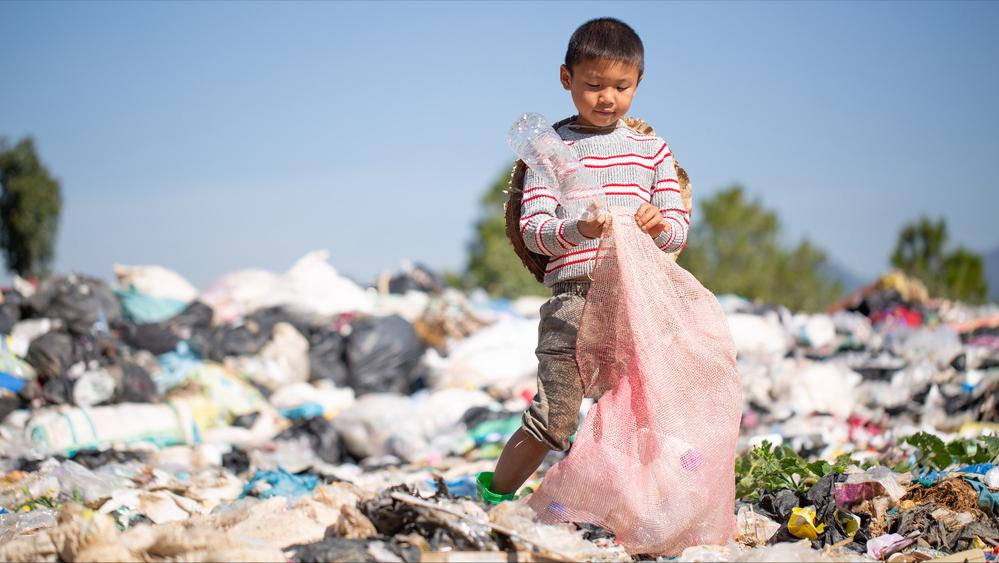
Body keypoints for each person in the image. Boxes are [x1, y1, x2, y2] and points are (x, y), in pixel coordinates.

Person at [477, 17, 691, 503]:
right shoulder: (548, 153)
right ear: (566, 78)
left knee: (647, 415)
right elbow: (534, 232)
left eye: (622, 86)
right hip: (572, 302)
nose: (607, 98)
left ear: (639, 83)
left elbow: (677, 229)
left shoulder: (650, 150)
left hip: (639, 304)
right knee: (554, 418)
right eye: (593, 85)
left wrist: (658, 224)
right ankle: (491, 502)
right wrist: (579, 229)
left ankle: (646, 510)